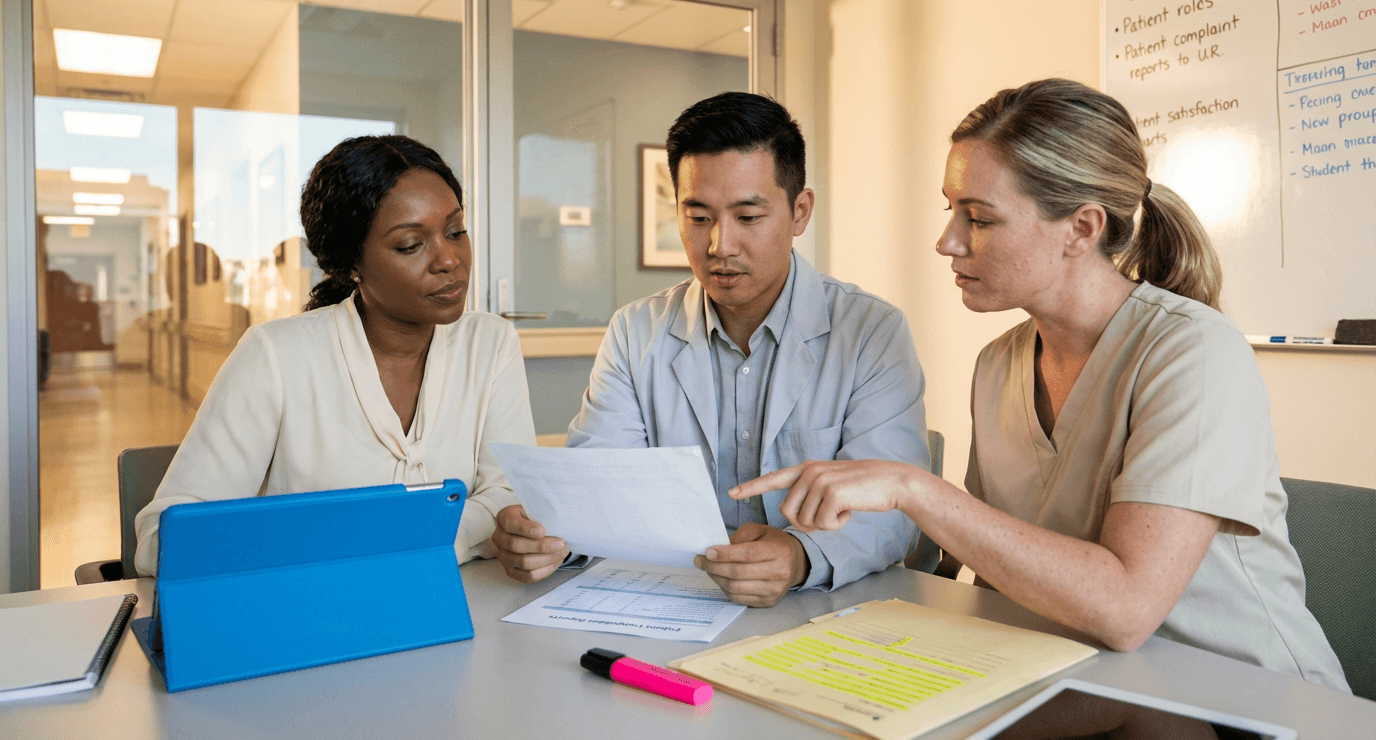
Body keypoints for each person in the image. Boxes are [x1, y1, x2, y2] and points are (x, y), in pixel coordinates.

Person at [731, 78, 1349, 690]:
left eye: (978, 218)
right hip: (1087, 690)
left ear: (1082, 228)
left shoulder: (1194, 353)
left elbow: (1127, 609)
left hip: (1250, 703)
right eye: (951, 210)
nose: (946, 242)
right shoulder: (1000, 363)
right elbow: (998, 570)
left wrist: (909, 488)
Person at [492, 92, 929, 607]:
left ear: (800, 211)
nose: (720, 245)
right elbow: (599, 490)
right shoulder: (636, 332)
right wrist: (546, 538)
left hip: (821, 610)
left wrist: (799, 555)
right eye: (698, 217)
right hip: (672, 602)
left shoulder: (871, 333)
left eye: (747, 217)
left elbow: (895, 513)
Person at [134, 135, 536, 576]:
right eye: (410, 245)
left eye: (456, 231)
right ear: (350, 264)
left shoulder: (490, 343)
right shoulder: (277, 355)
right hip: (316, 617)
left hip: (461, 607)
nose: (449, 260)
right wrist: (428, 534)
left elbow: (509, 495)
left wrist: (418, 536)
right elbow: (163, 540)